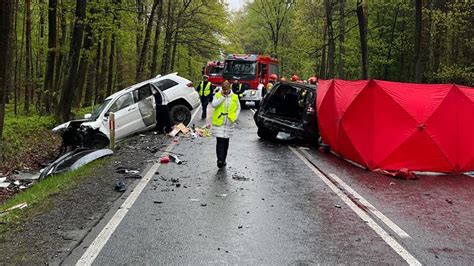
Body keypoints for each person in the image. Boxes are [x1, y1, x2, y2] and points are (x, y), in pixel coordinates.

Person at [211, 80, 241, 168]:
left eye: (227, 90)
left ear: (230, 89)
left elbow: (238, 108)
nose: (226, 92)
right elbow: (214, 105)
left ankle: (223, 159)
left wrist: (235, 116)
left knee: (226, 142)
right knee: (220, 141)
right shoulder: (217, 95)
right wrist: (222, 97)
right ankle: (219, 160)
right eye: (224, 90)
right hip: (219, 122)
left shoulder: (235, 97)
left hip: (229, 122)